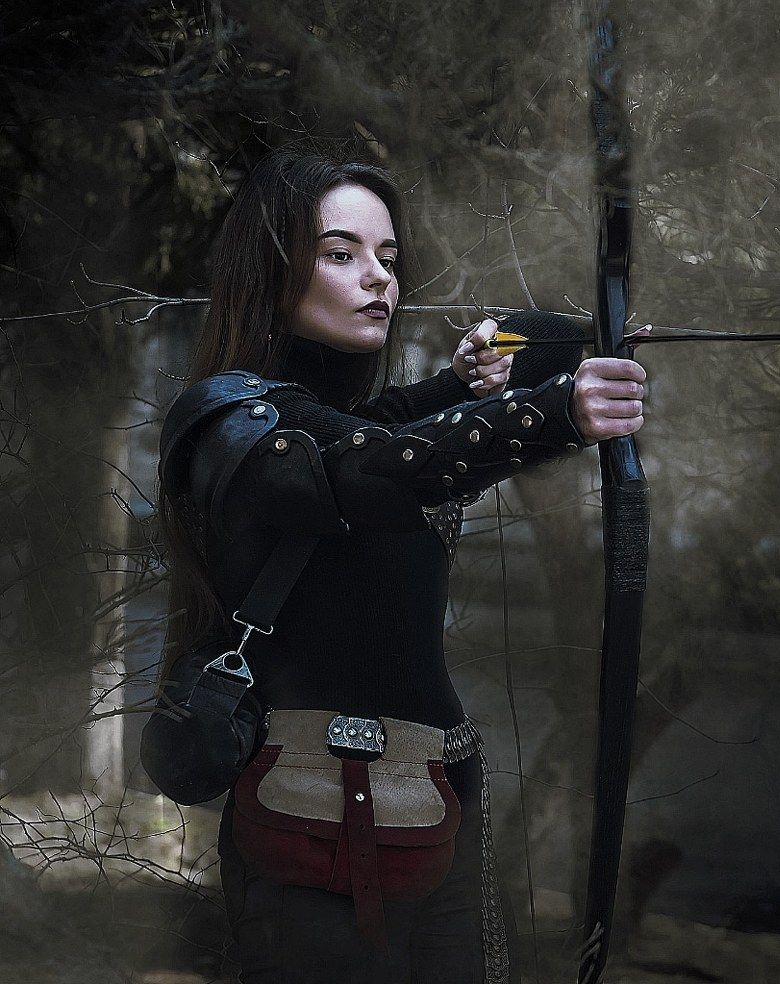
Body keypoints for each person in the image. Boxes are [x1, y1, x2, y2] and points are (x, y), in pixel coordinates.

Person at [141, 151, 647, 984]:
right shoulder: (227, 422)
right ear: (271, 269)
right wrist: (555, 412)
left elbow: (400, 430)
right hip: (315, 821)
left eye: (388, 256)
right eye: (341, 254)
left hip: (436, 801)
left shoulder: (347, 421)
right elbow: (369, 465)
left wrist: (501, 357)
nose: (378, 277)